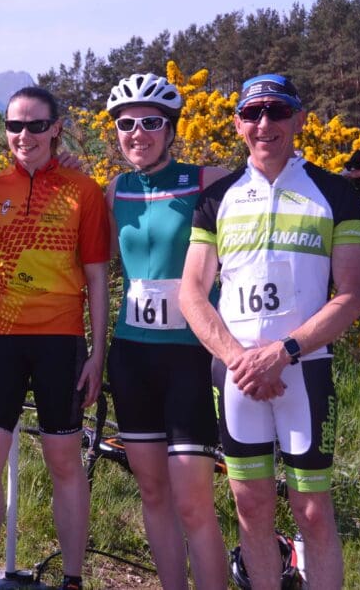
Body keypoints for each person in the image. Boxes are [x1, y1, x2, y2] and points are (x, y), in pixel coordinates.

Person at [179, 74, 360, 590]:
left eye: (278, 111)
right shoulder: (216, 198)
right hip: (237, 375)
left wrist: (282, 353)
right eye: (253, 113)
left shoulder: (335, 194)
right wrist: (239, 359)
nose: (265, 123)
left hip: (304, 369)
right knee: (251, 507)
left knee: (312, 510)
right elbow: (192, 292)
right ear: (238, 123)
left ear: (299, 119)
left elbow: (353, 294)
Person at [0, 86, 111, 590]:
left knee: (64, 463)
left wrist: (97, 354)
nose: (25, 136)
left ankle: (72, 578)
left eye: (36, 125)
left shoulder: (83, 192)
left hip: (61, 342)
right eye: (15, 126)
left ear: (55, 129)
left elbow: (97, 278)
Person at [103, 73, 230, 590]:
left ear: (171, 129)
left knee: (193, 501)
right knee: (153, 493)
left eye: (151, 122)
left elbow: (276, 181)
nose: (138, 133)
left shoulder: (207, 179)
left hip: (190, 356)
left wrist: (346, 179)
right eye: (127, 124)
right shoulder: (115, 189)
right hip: (131, 355)